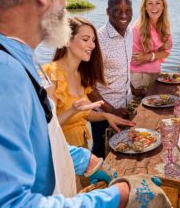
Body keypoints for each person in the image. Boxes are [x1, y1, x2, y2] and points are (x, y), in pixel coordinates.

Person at [0, 0, 170, 207]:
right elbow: (4, 202)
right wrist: (117, 196)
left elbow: (39, 143)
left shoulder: (15, 56)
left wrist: (87, 160)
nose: (67, 2)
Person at [43, 16, 135, 148]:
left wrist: (106, 116)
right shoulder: (50, 75)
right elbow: (45, 128)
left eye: (93, 40)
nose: (92, 45)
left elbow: (84, 114)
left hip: (83, 151)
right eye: (85, 39)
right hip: (60, 155)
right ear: (67, 41)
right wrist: (72, 110)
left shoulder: (81, 74)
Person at [88, 0, 134, 158]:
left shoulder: (130, 33)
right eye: (118, 11)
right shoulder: (98, 40)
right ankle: (94, 183)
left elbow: (123, 69)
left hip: (126, 105)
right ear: (108, 12)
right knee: (101, 152)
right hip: (104, 114)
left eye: (128, 11)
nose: (124, 15)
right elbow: (88, 85)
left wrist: (134, 89)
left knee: (123, 152)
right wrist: (111, 110)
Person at [130, 0, 172, 94]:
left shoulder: (165, 26)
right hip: (139, 76)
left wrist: (149, 55)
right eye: (150, 3)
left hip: (155, 72)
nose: (154, 7)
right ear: (145, 7)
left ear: (163, 6)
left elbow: (166, 53)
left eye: (158, 3)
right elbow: (137, 58)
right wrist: (160, 50)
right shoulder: (136, 28)